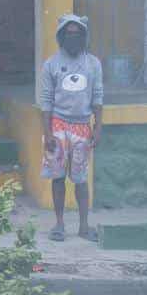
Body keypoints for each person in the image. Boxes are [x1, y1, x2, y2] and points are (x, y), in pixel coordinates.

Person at [38, 13, 103, 242]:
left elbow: (97, 97)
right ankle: (59, 225)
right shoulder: (51, 64)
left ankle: (84, 227)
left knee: (81, 179)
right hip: (57, 125)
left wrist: (98, 127)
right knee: (58, 177)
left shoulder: (93, 64)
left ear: (84, 37)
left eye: (78, 34)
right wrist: (47, 134)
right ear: (62, 36)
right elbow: (45, 101)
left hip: (82, 127)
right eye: (69, 34)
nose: (73, 38)